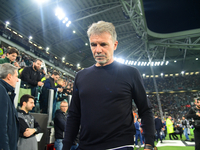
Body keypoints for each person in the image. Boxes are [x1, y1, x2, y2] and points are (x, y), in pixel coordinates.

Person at [62, 21, 155, 150]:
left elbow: (145, 109)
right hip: (85, 146)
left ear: (115, 45)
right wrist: (66, 146)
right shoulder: (81, 76)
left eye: (103, 44)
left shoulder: (130, 73)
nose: (98, 50)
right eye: (93, 45)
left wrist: (149, 144)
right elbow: (73, 115)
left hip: (120, 146)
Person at [0, 63, 19, 150]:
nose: (18, 80)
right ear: (9, 76)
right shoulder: (1, 91)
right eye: (16, 76)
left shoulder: (6, 92)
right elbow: (2, 125)